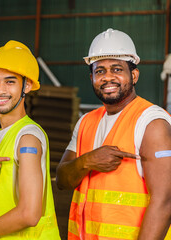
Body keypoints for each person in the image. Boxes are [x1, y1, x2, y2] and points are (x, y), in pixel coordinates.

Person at [56, 28, 171, 240]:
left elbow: (165, 201)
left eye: (117, 69)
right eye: (100, 71)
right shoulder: (85, 122)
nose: (108, 77)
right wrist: (87, 161)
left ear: (134, 75)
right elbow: (62, 180)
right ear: (91, 77)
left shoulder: (151, 123)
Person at [0, 40, 60, 240]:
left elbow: (29, 214)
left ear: (28, 85)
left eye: (10, 81)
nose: (0, 90)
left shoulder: (28, 138)